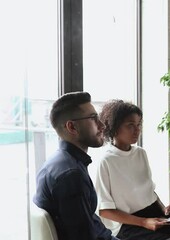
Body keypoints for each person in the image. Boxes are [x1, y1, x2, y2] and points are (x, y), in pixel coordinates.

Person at [94, 99, 170, 240]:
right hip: (127, 224)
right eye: (130, 125)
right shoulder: (106, 161)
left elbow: (150, 191)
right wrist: (143, 222)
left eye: (139, 125)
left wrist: (164, 209)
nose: (137, 130)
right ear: (114, 127)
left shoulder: (140, 153)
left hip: (153, 213)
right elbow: (105, 211)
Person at [33, 91, 118, 240]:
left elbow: (91, 224)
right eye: (93, 118)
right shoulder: (71, 175)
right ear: (72, 127)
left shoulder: (60, 163)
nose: (102, 125)